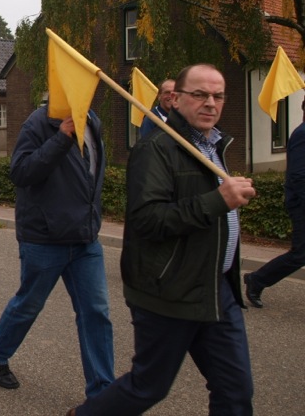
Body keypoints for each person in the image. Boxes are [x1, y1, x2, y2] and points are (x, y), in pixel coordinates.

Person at [68, 64, 257, 416]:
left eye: (217, 96)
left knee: (236, 391)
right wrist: (220, 201)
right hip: (169, 291)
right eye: (199, 95)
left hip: (217, 290)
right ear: (175, 99)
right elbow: (148, 220)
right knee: (148, 387)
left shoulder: (215, 145)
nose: (210, 103)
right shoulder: (155, 149)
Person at [0, 106, 114, 397]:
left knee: (96, 312)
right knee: (29, 304)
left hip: (85, 239)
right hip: (44, 238)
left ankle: (103, 393)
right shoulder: (38, 123)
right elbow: (20, 171)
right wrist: (61, 139)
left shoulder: (93, 121)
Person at [243, 97, 305, 308]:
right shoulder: (302, 134)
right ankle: (256, 280)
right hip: (301, 204)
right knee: (300, 254)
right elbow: (298, 176)